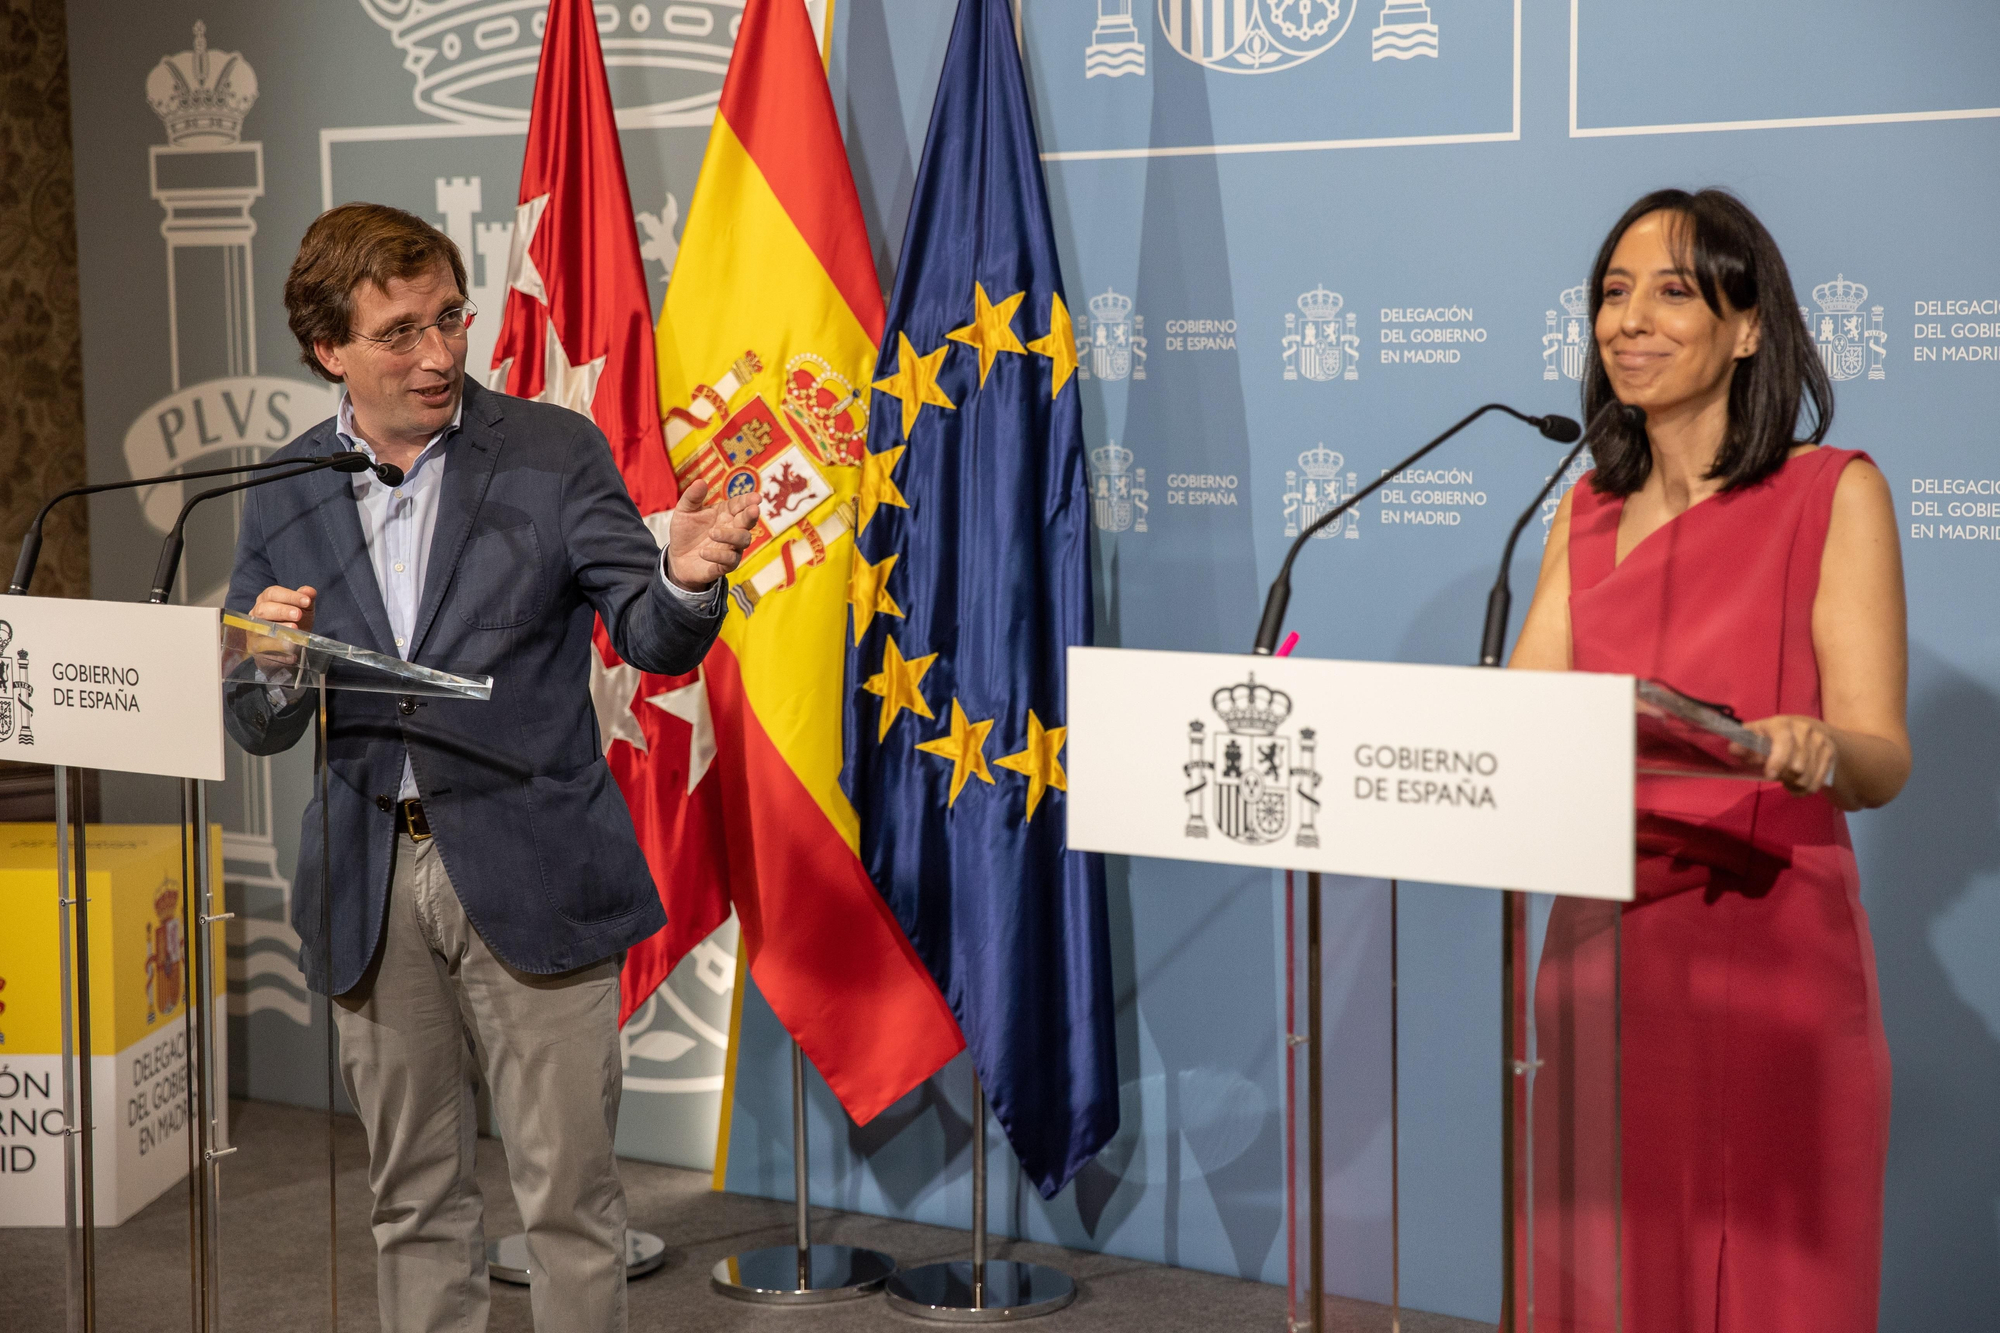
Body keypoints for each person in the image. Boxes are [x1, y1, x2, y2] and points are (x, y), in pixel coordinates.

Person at [224, 202, 757, 1333]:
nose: (437, 354)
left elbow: (650, 635)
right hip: (371, 878)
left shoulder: (552, 452)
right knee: (412, 1197)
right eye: (399, 332)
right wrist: (266, 664)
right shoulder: (280, 485)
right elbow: (255, 717)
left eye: (450, 319)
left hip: (532, 861)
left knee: (567, 1199)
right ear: (330, 350)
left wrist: (689, 578)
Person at [1510, 188, 1908, 1332]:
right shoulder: (1578, 512)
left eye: (1671, 291)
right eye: (1611, 291)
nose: (1626, 319)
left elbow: (1882, 758)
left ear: (1747, 326)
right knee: (1605, 1272)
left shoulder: (1829, 493)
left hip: (1766, 949)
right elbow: (1519, 723)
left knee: (1765, 1281)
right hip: (1597, 946)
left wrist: (1822, 745)